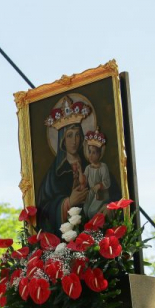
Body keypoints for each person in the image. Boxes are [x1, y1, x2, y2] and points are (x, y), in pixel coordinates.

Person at [37, 96, 119, 233]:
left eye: (77, 135)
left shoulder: (93, 165)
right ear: (62, 140)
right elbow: (42, 210)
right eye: (69, 135)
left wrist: (109, 206)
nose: (74, 141)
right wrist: (67, 203)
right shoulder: (54, 174)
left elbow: (116, 192)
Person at [82, 129, 111, 218]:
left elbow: (107, 182)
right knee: (85, 209)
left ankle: (96, 227)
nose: (90, 155)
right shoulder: (88, 168)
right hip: (92, 192)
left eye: (94, 153)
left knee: (92, 212)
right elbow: (84, 180)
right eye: (89, 152)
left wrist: (99, 186)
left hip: (101, 194)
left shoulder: (103, 167)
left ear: (99, 154)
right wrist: (79, 174)